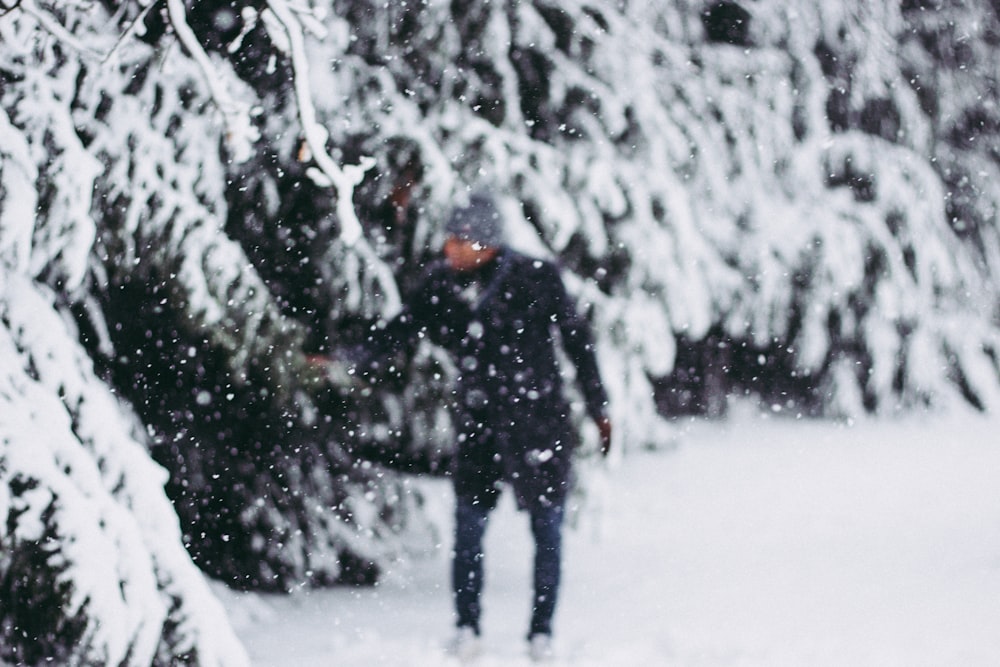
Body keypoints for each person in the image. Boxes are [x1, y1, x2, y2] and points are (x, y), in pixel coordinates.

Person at [322, 190, 612, 662]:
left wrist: (599, 407)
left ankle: (542, 633)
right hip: (480, 426)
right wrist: (345, 357)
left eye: (459, 240)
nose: (448, 248)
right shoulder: (440, 285)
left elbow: (577, 343)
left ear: (487, 241)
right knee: (469, 530)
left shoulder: (537, 278)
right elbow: (400, 331)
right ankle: (466, 627)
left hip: (539, 426)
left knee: (547, 531)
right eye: (449, 238)